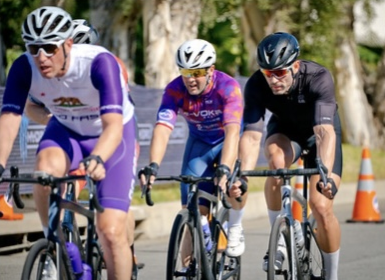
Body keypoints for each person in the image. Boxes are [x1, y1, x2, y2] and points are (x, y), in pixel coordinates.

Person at [0, 6, 137, 280]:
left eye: (49, 47)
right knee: (44, 170)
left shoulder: (99, 62)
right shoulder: (24, 66)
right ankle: (57, 244)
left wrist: (98, 157)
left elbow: (113, 126)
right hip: (66, 129)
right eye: (33, 47)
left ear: (68, 43)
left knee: (110, 231)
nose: (41, 57)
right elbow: (10, 117)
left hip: (109, 135)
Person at [238, 32, 342, 280]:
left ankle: (332, 275)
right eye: (267, 73)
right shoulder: (255, 84)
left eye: (280, 73)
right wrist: (241, 176)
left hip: (320, 134)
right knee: (275, 163)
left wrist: (325, 174)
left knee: (320, 207)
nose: (273, 80)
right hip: (286, 132)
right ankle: (281, 235)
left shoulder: (318, 77)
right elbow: (252, 137)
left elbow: (324, 132)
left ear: (295, 66)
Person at [138, 38, 247, 258]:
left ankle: (235, 228)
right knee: (191, 211)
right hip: (200, 144)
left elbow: (233, 132)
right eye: (186, 72)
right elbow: (162, 128)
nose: (191, 79)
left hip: (228, 140)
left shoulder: (227, 87)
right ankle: (188, 267)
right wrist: (153, 166)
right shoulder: (175, 89)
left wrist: (225, 168)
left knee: (235, 186)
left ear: (211, 70)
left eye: (197, 73)